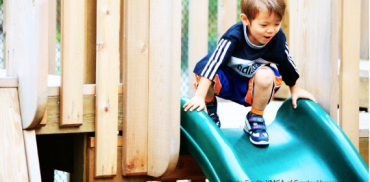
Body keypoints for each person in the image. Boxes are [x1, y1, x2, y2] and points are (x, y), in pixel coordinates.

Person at [183, 0, 317, 145]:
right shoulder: (234, 36)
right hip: (227, 82)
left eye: (276, 24)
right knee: (205, 72)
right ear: (246, 20)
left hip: (251, 88)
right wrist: (200, 96)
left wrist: (294, 89)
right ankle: (210, 109)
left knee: (267, 75)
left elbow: (286, 63)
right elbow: (213, 62)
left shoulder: (276, 39)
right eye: (264, 25)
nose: (271, 30)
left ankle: (255, 118)